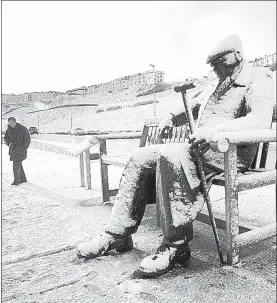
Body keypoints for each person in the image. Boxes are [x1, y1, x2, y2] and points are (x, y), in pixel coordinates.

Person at [76, 35, 274, 277]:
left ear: (237, 56)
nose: (214, 67)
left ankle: (176, 245)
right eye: (212, 64)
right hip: (200, 150)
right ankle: (118, 233)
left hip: (228, 152)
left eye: (219, 61)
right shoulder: (216, 81)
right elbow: (193, 105)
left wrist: (215, 131)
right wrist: (171, 115)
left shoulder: (259, 79)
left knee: (171, 153)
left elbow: (260, 120)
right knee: (139, 157)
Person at [4, 117, 31, 185]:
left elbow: (27, 139)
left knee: (15, 165)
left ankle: (16, 181)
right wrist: (9, 143)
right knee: (19, 164)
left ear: (15, 122)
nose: (11, 124)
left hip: (21, 150)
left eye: (12, 122)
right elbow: (6, 138)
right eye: (9, 123)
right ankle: (23, 179)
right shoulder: (9, 129)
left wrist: (23, 148)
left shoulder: (23, 129)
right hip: (13, 151)